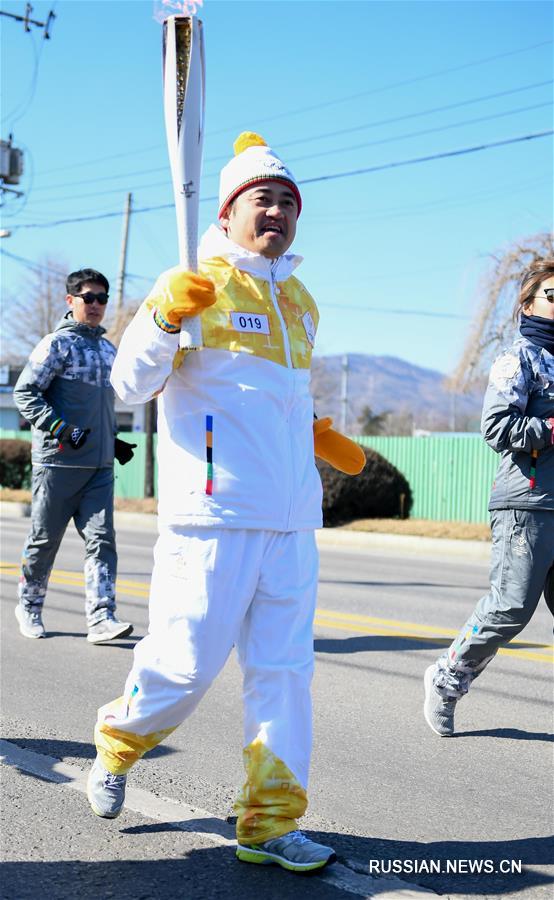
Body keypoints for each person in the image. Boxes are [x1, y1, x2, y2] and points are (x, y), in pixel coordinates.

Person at [86, 133, 365, 873]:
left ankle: (270, 823)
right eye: (261, 199)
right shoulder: (191, 279)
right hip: (211, 513)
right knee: (183, 665)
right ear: (229, 210)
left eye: (287, 202)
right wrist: (163, 319)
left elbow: (271, 402)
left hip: (290, 518)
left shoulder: (300, 301)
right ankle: (119, 740)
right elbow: (127, 386)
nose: (276, 211)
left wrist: (317, 436)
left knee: (285, 673)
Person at [424, 258, 554, 737]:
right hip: (528, 504)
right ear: (528, 303)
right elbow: (497, 426)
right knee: (511, 609)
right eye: (553, 295)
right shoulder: (516, 358)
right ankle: (447, 679)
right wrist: (550, 427)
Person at [13, 268, 137, 644]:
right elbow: (25, 393)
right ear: (71, 301)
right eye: (89, 297)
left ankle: (101, 618)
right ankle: (29, 605)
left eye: (102, 298)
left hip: (98, 466)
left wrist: (111, 441)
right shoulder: (56, 345)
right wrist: (62, 429)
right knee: (44, 539)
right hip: (57, 463)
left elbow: (102, 406)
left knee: (102, 541)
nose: (97, 305)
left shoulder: (108, 349)